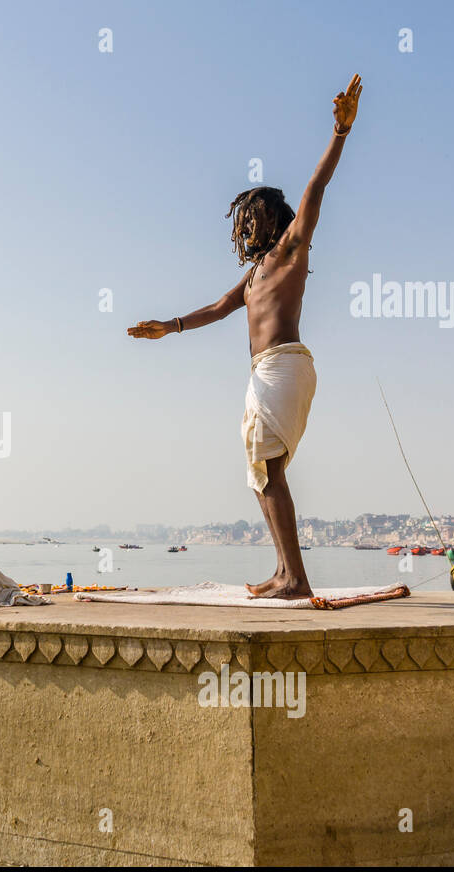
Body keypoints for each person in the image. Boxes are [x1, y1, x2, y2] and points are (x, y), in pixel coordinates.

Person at [127, 74, 363, 599]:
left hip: (283, 365)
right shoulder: (255, 274)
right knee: (261, 473)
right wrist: (170, 326)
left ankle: (296, 579)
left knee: (269, 470)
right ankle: (284, 572)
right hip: (266, 374)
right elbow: (217, 307)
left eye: (253, 217)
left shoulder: (288, 251)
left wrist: (340, 133)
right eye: (244, 222)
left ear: (272, 220)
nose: (246, 227)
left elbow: (315, 190)